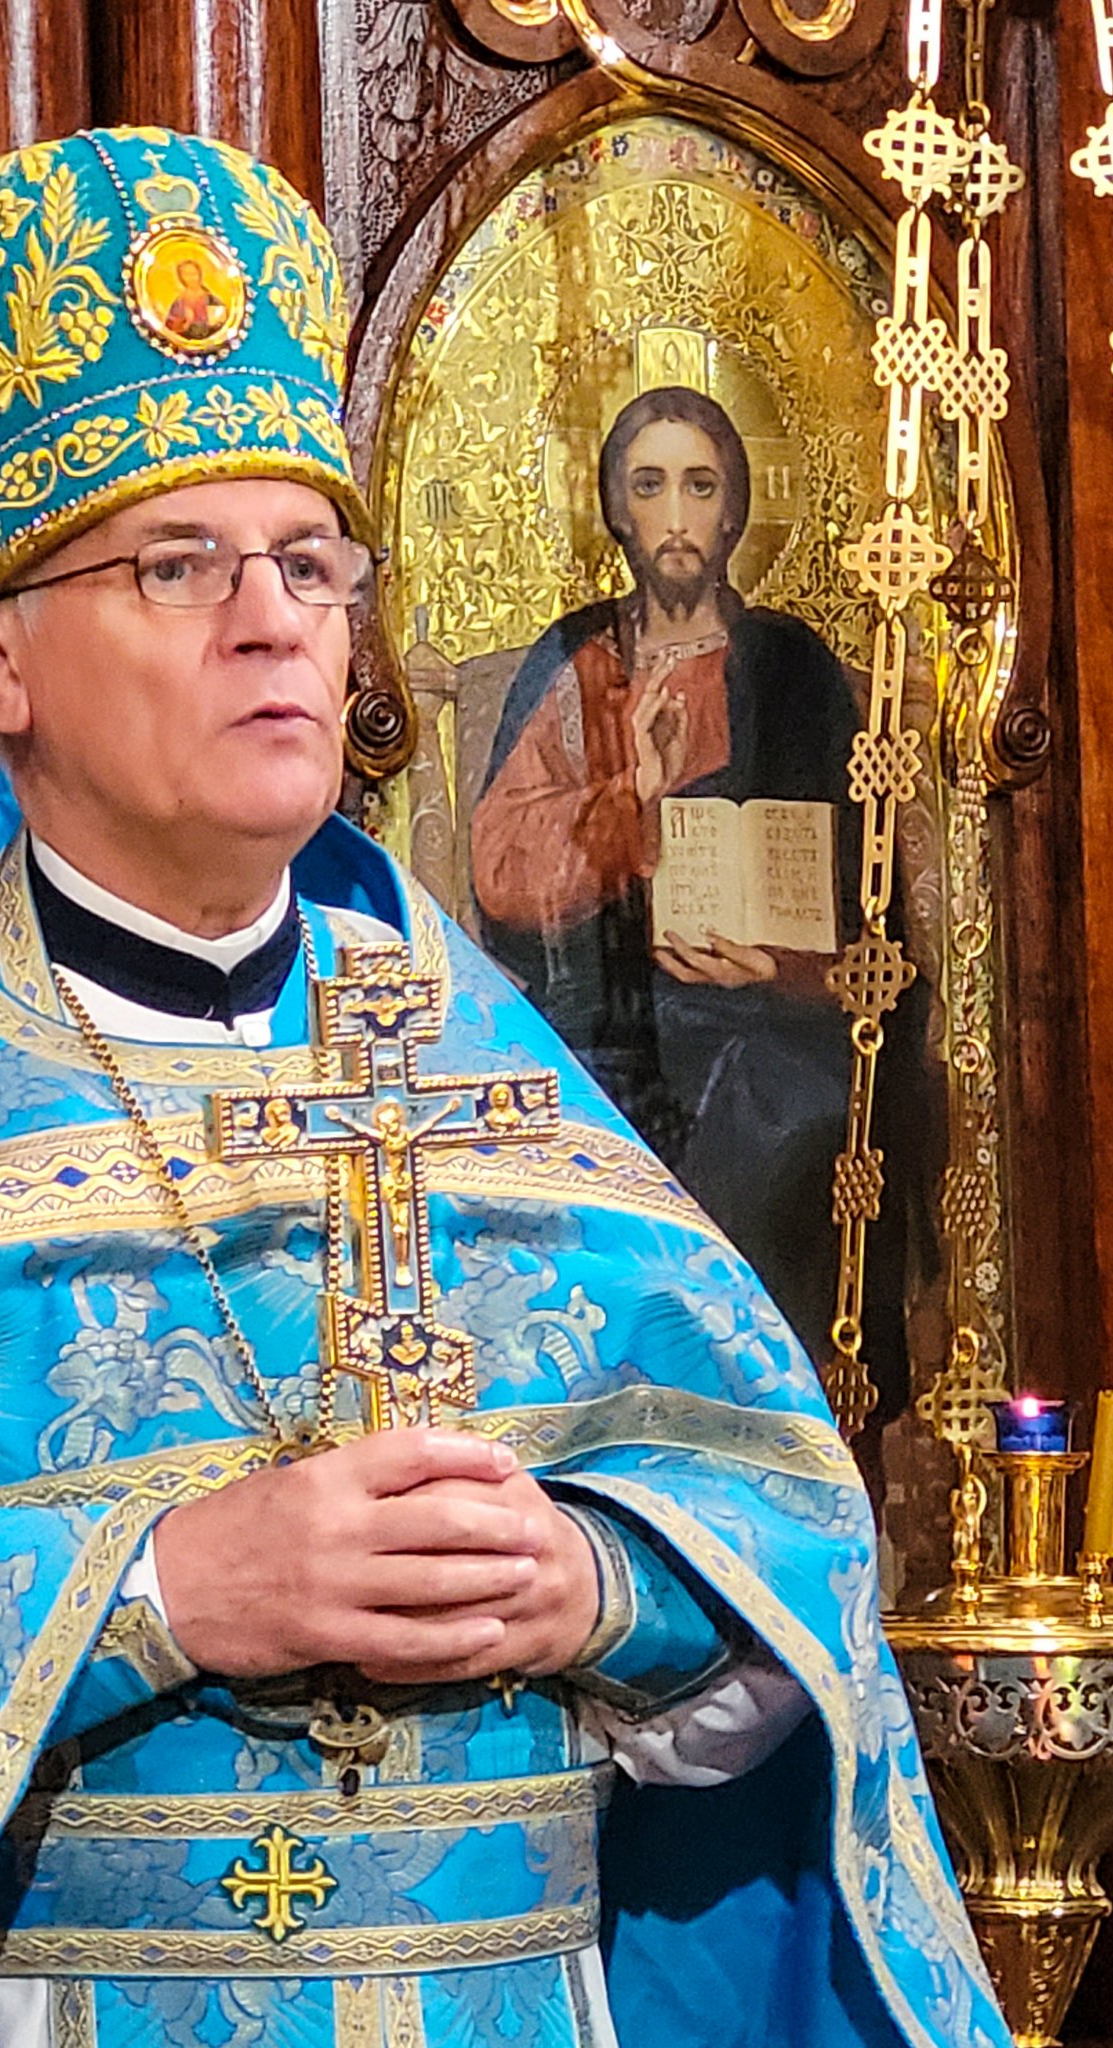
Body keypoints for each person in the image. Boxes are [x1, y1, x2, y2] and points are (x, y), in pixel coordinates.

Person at [0, 131, 1002, 2048]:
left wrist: (588, 1586)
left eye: (309, 560)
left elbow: (775, 1529)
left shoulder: (479, 1071)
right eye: (175, 563)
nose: (271, 615)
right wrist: (159, 1586)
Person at [472, 388, 925, 1418]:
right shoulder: (581, 661)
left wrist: (788, 971)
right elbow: (502, 870)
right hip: (607, 1021)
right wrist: (626, 788)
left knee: (791, 1114)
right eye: (650, 485)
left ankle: (767, 1413)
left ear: (735, 512)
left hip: (777, 1019)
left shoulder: (794, 669)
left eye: (700, 485)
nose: (676, 515)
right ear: (618, 512)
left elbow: (874, 893)